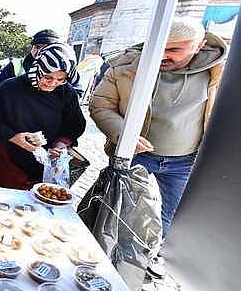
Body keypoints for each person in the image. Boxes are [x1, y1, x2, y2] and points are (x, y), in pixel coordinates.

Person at [89, 17, 227, 240]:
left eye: (173, 49)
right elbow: (101, 105)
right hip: (134, 156)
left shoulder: (222, 73)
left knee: (169, 217)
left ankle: (150, 260)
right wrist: (124, 134)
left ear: (199, 46)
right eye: (159, 47)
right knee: (118, 214)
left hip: (184, 163)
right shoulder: (126, 66)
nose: (163, 55)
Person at [0, 44, 86, 190]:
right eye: (48, 77)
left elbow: (74, 124)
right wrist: (15, 138)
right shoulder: (10, 88)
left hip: (43, 166)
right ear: (38, 69)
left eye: (61, 79)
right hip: (5, 162)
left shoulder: (66, 93)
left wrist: (60, 145)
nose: (53, 83)